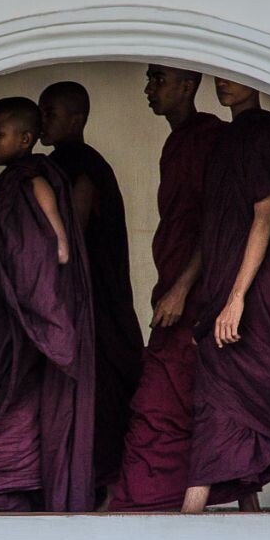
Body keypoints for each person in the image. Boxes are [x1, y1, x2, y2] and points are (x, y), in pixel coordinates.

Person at [0, 96, 96, 513]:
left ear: (26, 139)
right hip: (7, 321)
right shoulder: (11, 182)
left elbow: (57, 248)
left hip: (27, 322)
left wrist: (37, 308)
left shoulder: (34, 179)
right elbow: (11, 242)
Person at [181, 79, 270, 513]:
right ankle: (235, 513)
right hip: (225, 290)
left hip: (262, 293)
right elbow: (217, 228)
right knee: (218, 398)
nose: (225, 83)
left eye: (235, 75)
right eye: (218, 77)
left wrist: (237, 298)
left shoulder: (263, 129)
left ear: (258, 80)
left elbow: (263, 215)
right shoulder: (228, 138)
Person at [105, 65, 225, 511]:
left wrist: (180, 289)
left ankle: (157, 504)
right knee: (161, 400)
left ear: (188, 86)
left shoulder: (209, 137)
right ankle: (145, 502)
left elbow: (214, 224)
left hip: (193, 296)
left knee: (170, 397)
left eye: (159, 79)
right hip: (172, 288)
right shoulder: (177, 141)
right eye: (148, 79)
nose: (148, 88)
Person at [39, 81, 144, 499]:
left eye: (51, 113)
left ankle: (101, 493)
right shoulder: (56, 165)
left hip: (94, 305)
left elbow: (72, 232)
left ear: (76, 119)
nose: (42, 121)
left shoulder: (83, 165)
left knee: (102, 397)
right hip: (82, 304)